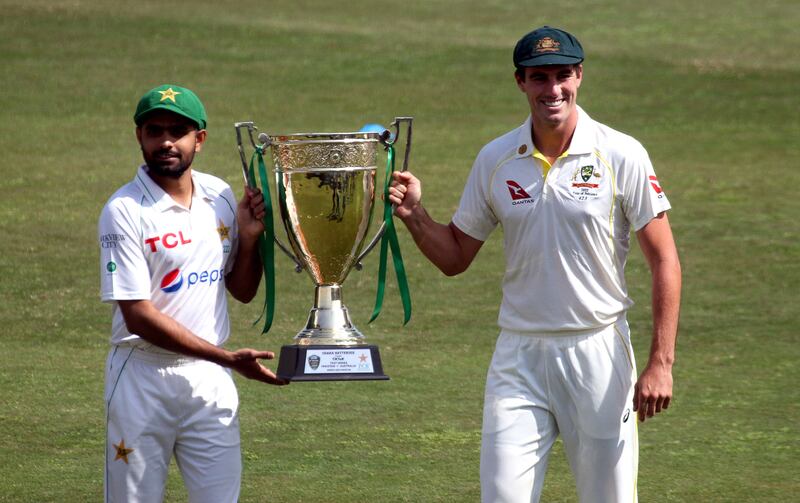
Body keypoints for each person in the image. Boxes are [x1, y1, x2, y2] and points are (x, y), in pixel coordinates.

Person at [389, 27, 681, 503]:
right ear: (520, 82)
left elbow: (665, 259)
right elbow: (456, 256)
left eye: (563, 75)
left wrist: (661, 364)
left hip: (598, 350)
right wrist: (413, 214)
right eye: (539, 78)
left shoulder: (620, 153)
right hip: (518, 356)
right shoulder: (496, 159)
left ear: (580, 76)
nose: (553, 90)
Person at [98, 84, 288, 502]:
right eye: (154, 131)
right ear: (139, 137)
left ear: (199, 139)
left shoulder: (219, 195)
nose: (166, 141)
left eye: (177, 131)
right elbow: (137, 316)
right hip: (142, 378)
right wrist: (227, 359)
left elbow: (240, 290)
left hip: (209, 382)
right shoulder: (124, 210)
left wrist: (251, 239)